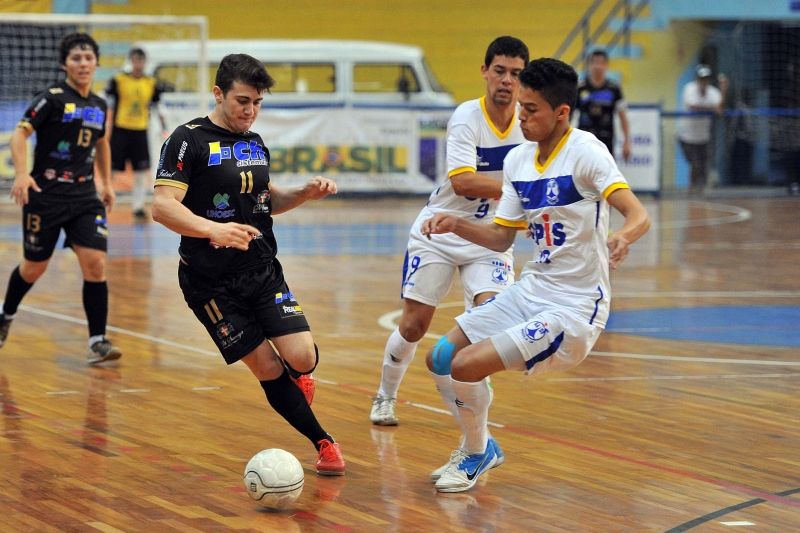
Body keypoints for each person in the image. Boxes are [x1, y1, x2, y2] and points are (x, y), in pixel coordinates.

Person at [421, 58, 651, 493]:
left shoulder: (587, 152)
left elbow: (638, 213)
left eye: (530, 110)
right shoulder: (518, 160)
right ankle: (480, 446)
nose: (520, 117)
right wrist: (456, 225)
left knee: (467, 365)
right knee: (441, 357)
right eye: (520, 107)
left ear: (561, 113)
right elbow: (500, 239)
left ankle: (476, 452)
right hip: (532, 289)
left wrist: (624, 236)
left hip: (574, 308)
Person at [151, 53, 345, 475]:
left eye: (257, 103)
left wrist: (304, 193)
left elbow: (266, 201)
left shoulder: (254, 142)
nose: (250, 111)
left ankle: (300, 377)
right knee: (267, 366)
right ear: (218, 94)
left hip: (261, 271)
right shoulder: (187, 140)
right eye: (242, 101)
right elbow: (163, 207)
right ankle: (324, 443)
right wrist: (212, 230)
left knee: (303, 357)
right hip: (210, 284)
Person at [369, 36, 529, 432]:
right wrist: (523, 189)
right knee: (413, 326)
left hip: (490, 236)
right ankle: (386, 394)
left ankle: (468, 391)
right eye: (500, 71)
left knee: (491, 319)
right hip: (440, 228)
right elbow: (463, 182)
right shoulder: (466, 117)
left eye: (516, 74)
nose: (507, 80)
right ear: (485, 72)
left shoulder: (529, 124)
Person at [0, 32, 122, 365]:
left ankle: (97, 341)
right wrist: (22, 174)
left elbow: (102, 142)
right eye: (75, 58)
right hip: (46, 196)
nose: (83, 64)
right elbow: (20, 134)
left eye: (88, 58)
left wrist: (106, 183)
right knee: (34, 268)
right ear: (64, 63)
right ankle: (6, 313)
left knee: (95, 263)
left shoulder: (99, 105)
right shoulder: (51, 99)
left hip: (84, 196)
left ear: (96, 63)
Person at [105, 47, 168, 221]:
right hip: (120, 129)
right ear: (131, 61)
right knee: (111, 168)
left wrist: (164, 127)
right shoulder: (119, 80)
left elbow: (158, 106)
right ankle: (102, 200)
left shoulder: (151, 82)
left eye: (141, 60)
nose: (138, 64)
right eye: (135, 60)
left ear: (144, 62)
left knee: (141, 170)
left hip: (140, 130)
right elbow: (106, 100)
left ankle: (138, 207)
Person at [677, 63, 728, 193]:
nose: (703, 82)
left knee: (704, 164)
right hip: (686, 135)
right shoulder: (689, 88)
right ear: (697, 79)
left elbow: (720, 109)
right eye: (701, 78)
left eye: (706, 79)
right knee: (695, 163)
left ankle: (700, 189)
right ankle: (692, 187)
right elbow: (692, 106)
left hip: (703, 135)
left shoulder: (713, 92)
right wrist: (712, 108)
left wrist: (723, 90)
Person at [575, 48, 631, 161]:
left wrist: (627, 142)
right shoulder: (580, 88)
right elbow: (569, 115)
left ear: (606, 65)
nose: (598, 66)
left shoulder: (614, 89)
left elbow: (623, 116)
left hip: (606, 140)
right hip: (584, 140)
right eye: (595, 62)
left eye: (601, 63)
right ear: (589, 65)